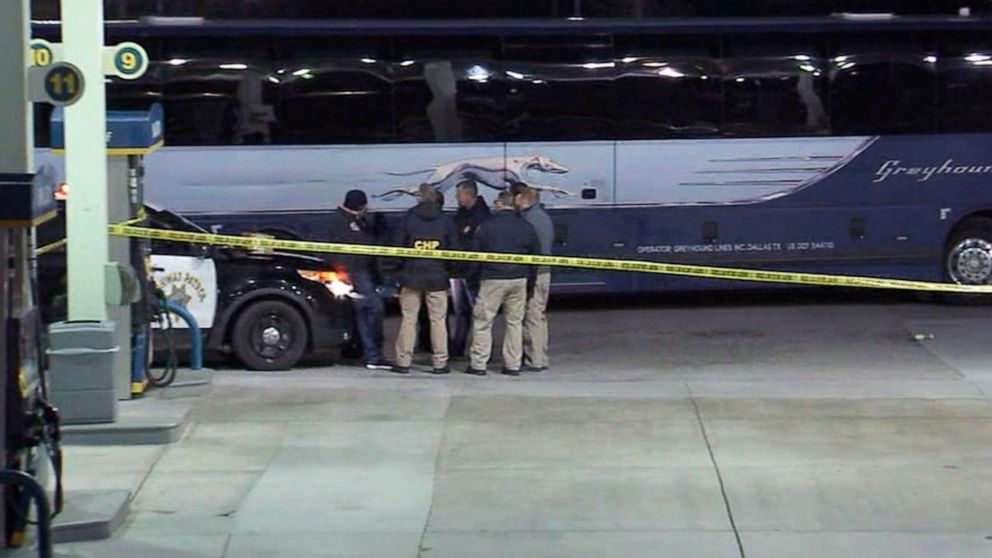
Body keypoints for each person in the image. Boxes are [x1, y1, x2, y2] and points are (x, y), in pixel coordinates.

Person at [465, 191, 540, 376]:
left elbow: (476, 255)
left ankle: (479, 364)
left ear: (499, 204)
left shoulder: (486, 226)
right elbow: (535, 257)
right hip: (519, 279)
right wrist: (530, 283)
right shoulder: (526, 226)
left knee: (483, 322)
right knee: (514, 323)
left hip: (492, 279)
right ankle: (512, 365)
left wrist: (472, 280)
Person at [392, 184, 458, 374]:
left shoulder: (407, 219)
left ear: (419, 197)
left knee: (409, 319)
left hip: (411, 277)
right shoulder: (445, 221)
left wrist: (398, 273)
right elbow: (454, 250)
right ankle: (440, 362)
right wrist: (448, 273)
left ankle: (403, 361)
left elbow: (396, 247)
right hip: (437, 278)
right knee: (438, 320)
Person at [327, 189, 392, 371]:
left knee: (363, 314)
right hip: (355, 273)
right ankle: (373, 355)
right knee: (373, 309)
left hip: (353, 273)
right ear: (361, 206)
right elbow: (360, 247)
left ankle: (366, 353)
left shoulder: (343, 220)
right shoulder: (345, 223)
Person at [513, 183, 554, 373]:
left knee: (532, 316)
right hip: (545, 271)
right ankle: (539, 356)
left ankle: (535, 359)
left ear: (523, 198)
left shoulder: (529, 220)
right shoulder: (543, 217)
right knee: (539, 315)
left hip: (535, 273)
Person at [450, 179, 490, 357]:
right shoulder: (461, 214)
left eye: (459, 194)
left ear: (468, 194)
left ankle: (482, 350)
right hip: (459, 270)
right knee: (461, 312)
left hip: (474, 272)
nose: (457, 198)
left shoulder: (481, 217)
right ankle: (458, 347)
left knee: (479, 314)